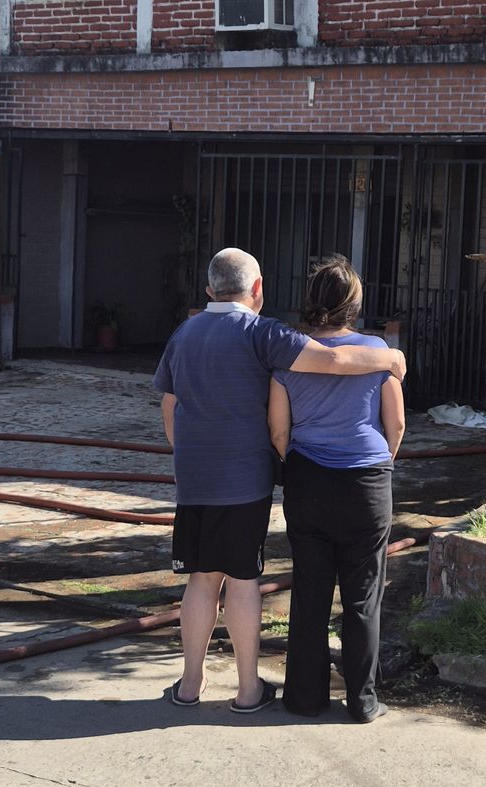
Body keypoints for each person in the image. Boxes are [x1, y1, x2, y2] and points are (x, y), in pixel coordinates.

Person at [154, 246, 405, 715]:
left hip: (198, 481)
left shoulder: (183, 333)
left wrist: (186, 456)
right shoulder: (265, 334)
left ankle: (192, 686)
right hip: (252, 482)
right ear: (258, 288)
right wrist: (390, 359)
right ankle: (256, 692)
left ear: (210, 289)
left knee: (201, 581)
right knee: (247, 581)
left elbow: (171, 405)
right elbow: (333, 364)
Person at [268, 256, 405, 724]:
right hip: (366, 484)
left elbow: (278, 431)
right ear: (354, 304)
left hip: (307, 479)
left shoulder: (291, 353)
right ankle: (362, 702)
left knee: (310, 592)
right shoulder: (377, 352)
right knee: (363, 596)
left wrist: (300, 464)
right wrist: (379, 465)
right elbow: (398, 424)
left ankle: (304, 698)